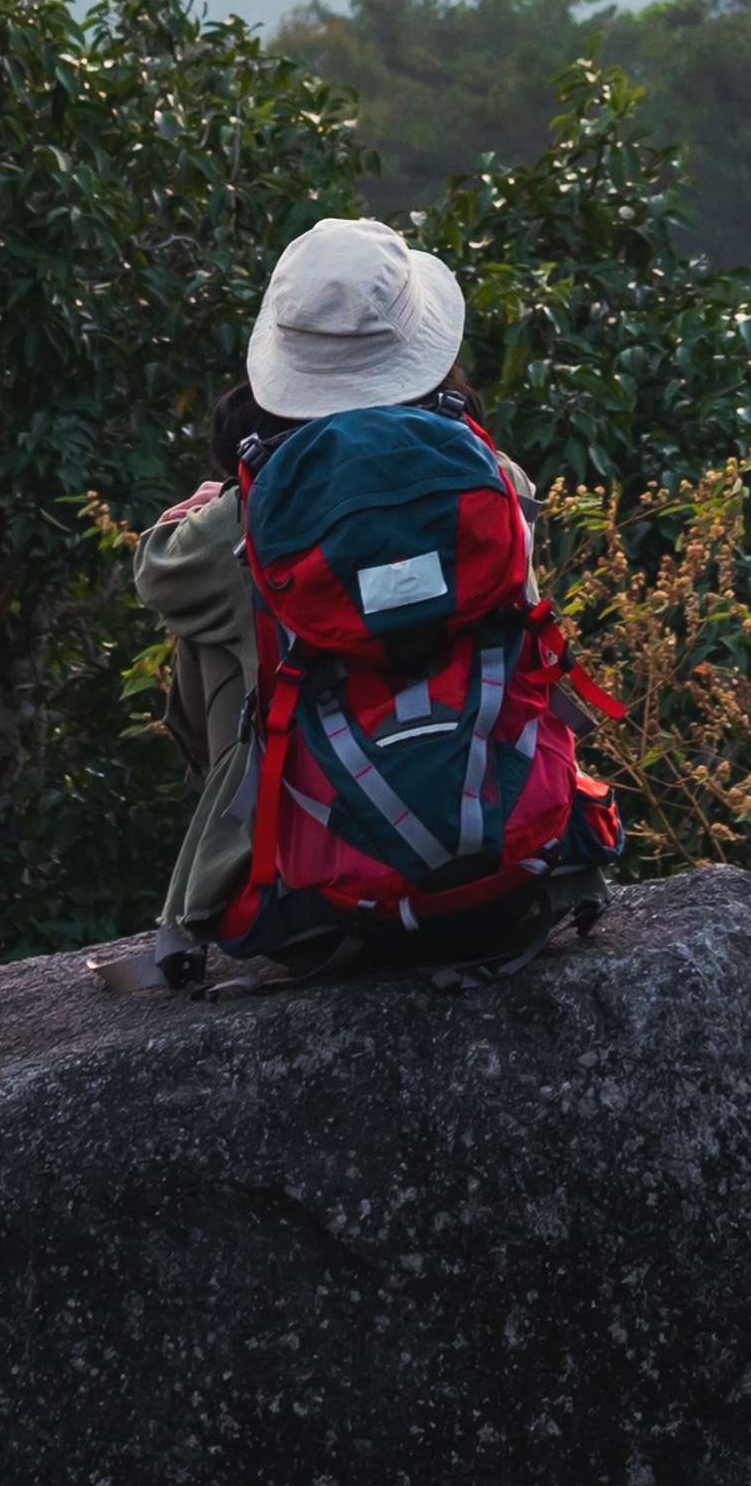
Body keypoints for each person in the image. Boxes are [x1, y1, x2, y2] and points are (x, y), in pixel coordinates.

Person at [124, 213, 505, 960]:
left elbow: (157, 571)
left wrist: (210, 511)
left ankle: (250, 831)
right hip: (504, 864)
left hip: (308, 905)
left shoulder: (248, 523)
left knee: (221, 616)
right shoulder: (492, 484)